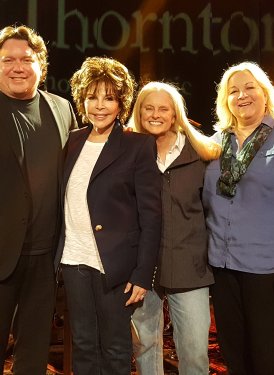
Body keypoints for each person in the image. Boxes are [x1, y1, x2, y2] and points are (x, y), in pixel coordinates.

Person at [54, 56, 162, 375]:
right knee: (84, 344)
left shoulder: (138, 146)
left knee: (115, 347)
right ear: (82, 99)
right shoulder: (73, 141)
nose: (100, 105)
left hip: (115, 267)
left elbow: (151, 216)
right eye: (93, 96)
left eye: (109, 98)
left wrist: (143, 274)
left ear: (121, 103)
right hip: (74, 262)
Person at [0, 24, 77, 375]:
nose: (17, 67)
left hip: (46, 256)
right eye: (7, 60)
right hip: (1, 254)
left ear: (41, 65)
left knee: (33, 354)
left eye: (26, 59)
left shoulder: (62, 109)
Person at [130, 81, 221, 375]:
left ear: (174, 115)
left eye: (163, 109)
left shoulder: (201, 154)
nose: (156, 114)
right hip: (142, 269)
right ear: (139, 112)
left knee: (194, 354)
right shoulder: (128, 153)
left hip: (190, 267)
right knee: (145, 349)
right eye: (149, 108)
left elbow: (212, 210)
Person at [202, 61, 274, 375]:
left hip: (265, 265)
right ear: (225, 100)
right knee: (232, 350)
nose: (242, 95)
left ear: (265, 94)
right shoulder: (216, 143)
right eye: (233, 91)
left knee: (265, 351)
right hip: (221, 263)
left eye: (249, 88)